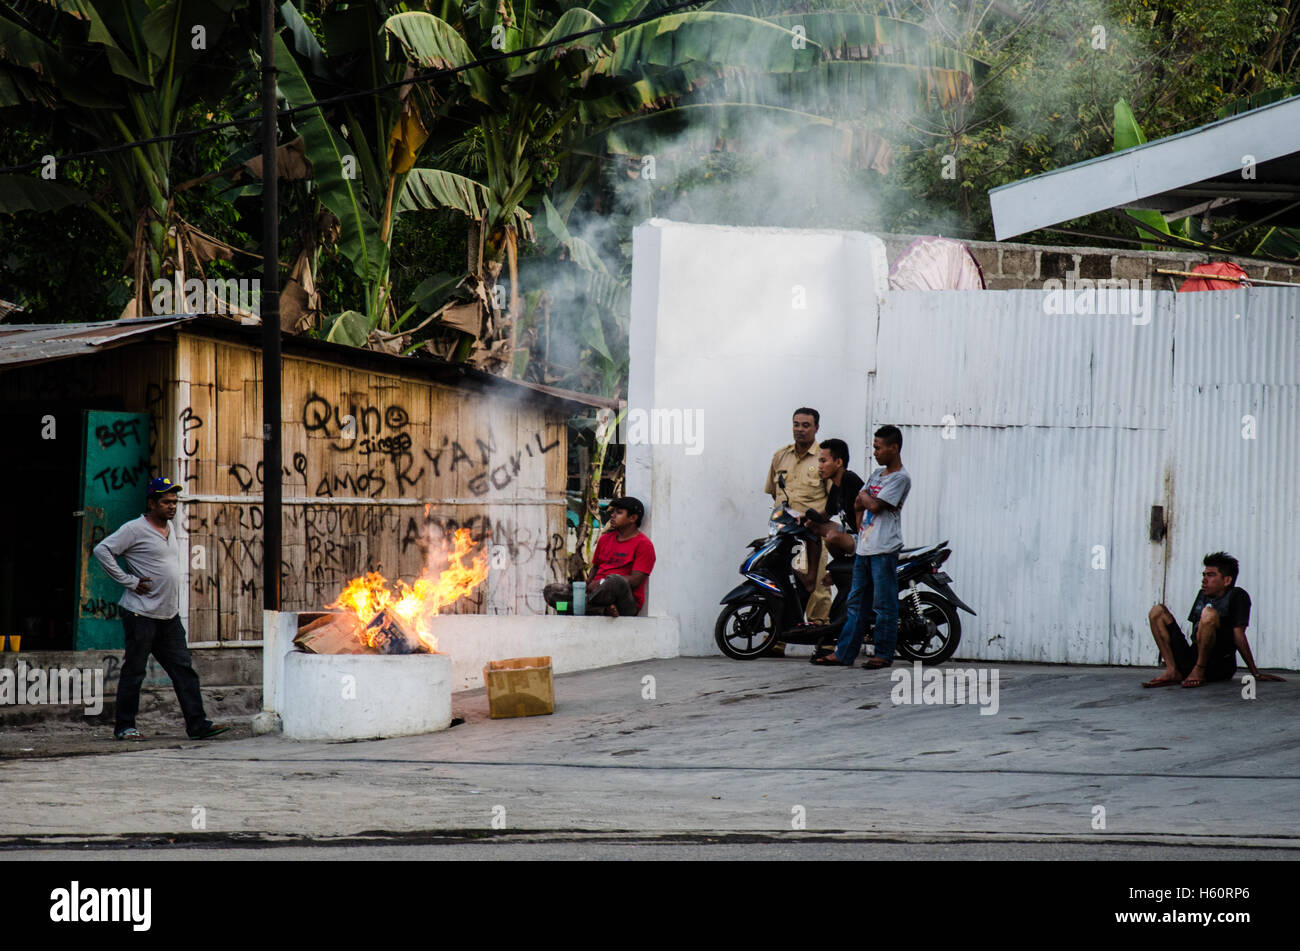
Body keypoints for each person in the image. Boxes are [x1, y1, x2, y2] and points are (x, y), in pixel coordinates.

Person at [92, 477, 229, 741]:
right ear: (152, 503)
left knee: (184, 671)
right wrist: (129, 581)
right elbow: (102, 550)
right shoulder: (134, 529)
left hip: (168, 616)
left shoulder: (170, 529)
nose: (172, 507)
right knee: (134, 671)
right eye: (166, 502)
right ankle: (124, 727)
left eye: (175, 502)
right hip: (140, 613)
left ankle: (198, 725)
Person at [812, 425, 910, 669]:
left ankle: (883, 654)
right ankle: (844, 653)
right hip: (865, 548)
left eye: (878, 447)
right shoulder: (877, 474)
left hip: (884, 549)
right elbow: (861, 501)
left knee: (884, 605)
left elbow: (874, 505)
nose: (875, 452)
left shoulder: (900, 478)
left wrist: (866, 501)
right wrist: (865, 507)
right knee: (855, 604)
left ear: (894, 448)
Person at [1142, 552, 1284, 689]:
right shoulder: (1203, 594)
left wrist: (1255, 673)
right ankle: (1172, 670)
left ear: (1227, 580)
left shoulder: (1238, 596)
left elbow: (1239, 636)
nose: (1204, 579)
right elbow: (1195, 634)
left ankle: (1199, 669)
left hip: (1218, 665)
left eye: (1211, 575)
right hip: (1193, 658)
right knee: (1158, 612)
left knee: (1208, 614)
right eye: (1204, 575)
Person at [765, 407, 830, 649]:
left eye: (805, 425)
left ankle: (823, 638)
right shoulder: (780, 456)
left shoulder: (823, 458)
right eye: (796, 424)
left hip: (811, 535)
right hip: (781, 533)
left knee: (816, 585)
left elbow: (831, 499)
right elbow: (774, 493)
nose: (800, 429)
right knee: (780, 584)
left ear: (816, 428)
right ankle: (777, 639)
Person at [545, 496, 656, 618]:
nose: (613, 515)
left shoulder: (644, 544)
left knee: (616, 581)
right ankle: (598, 610)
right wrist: (588, 584)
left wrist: (601, 583)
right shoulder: (605, 539)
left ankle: (578, 607)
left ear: (633, 518)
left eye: (619, 513)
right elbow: (596, 567)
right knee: (552, 591)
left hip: (624, 602)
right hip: (596, 595)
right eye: (613, 512)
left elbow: (636, 581)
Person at [801, 438, 864, 558]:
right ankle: (813, 575)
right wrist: (805, 518)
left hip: (864, 538)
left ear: (839, 462)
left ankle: (844, 566)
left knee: (832, 537)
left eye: (823, 461)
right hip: (850, 534)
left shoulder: (850, 479)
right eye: (819, 461)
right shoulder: (836, 485)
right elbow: (825, 515)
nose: (819, 466)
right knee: (812, 526)